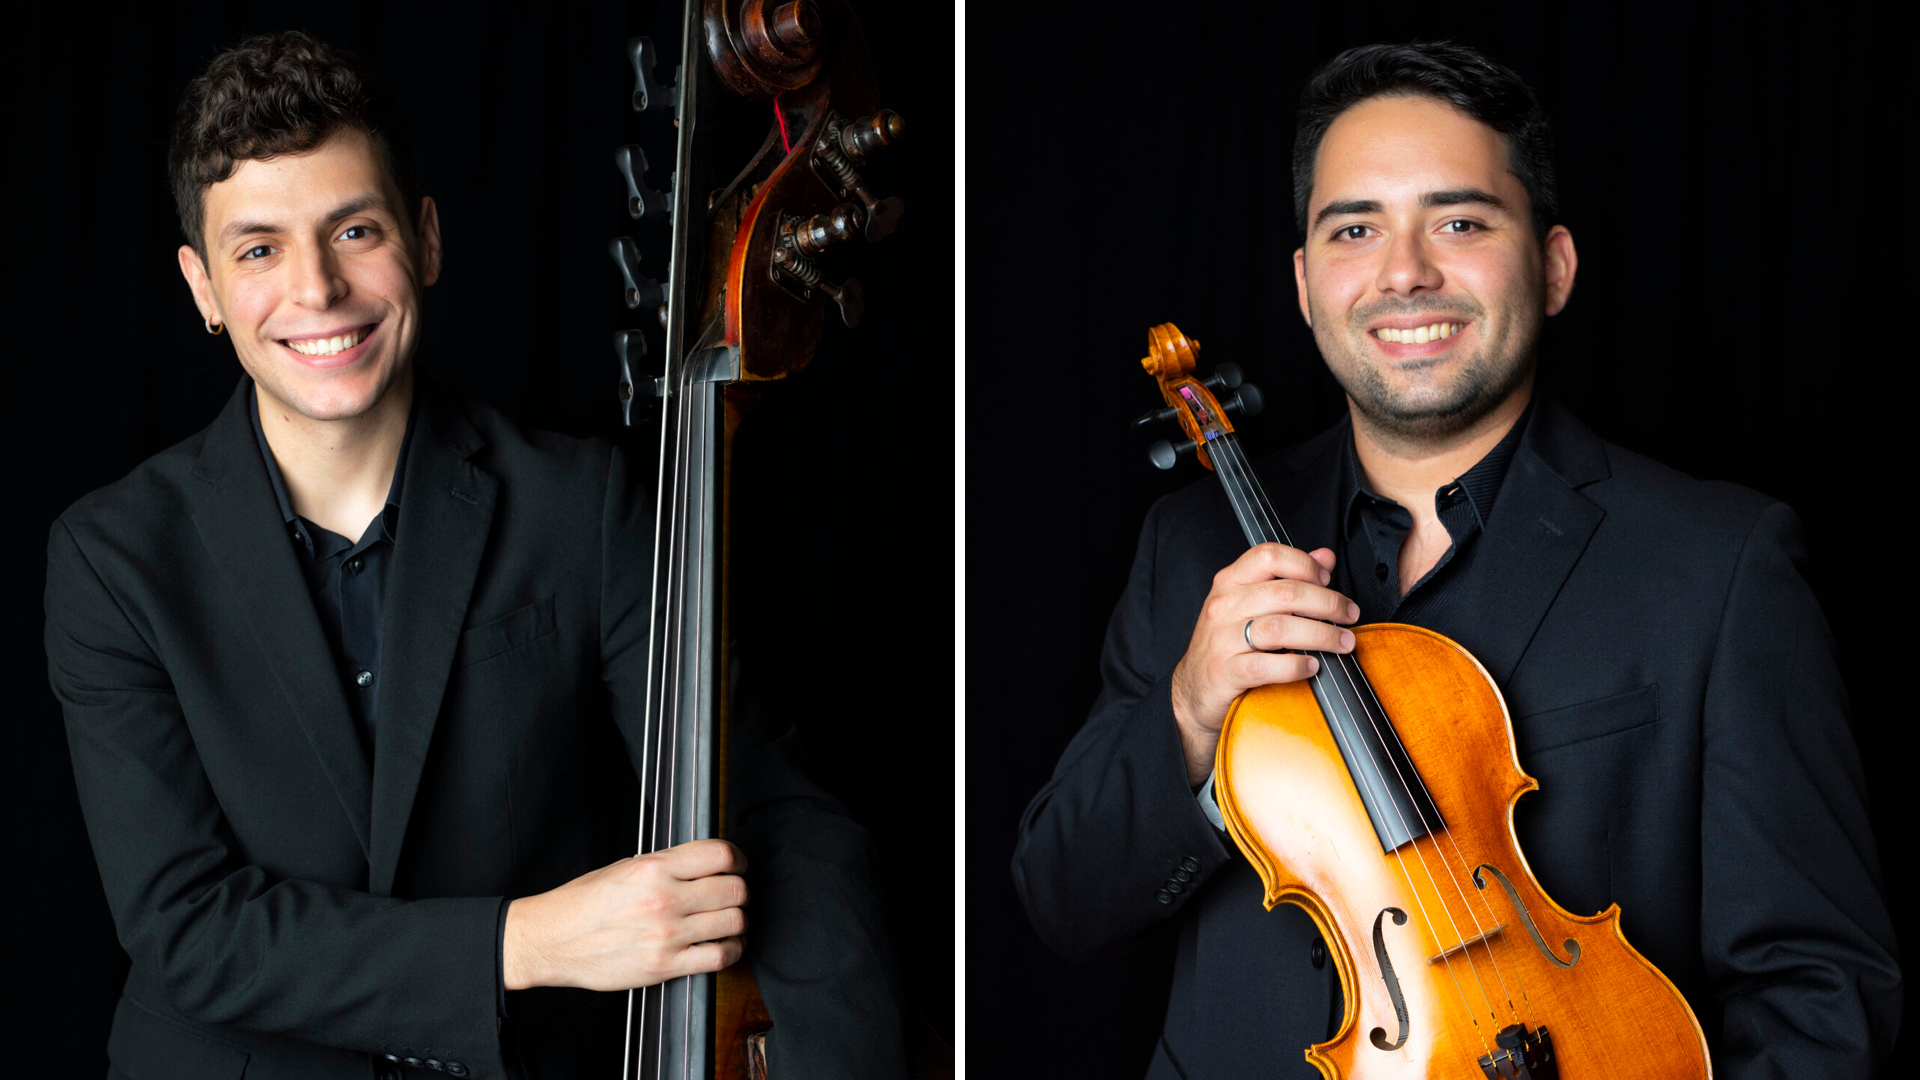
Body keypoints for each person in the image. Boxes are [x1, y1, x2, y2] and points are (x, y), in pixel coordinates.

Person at [1013, 41, 1899, 1079]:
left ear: (1555, 266)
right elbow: (1063, 903)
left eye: (1461, 221)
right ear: (1304, 285)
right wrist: (1190, 717)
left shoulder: (1720, 567)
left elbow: (1820, 996)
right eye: (1355, 229)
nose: (1404, 274)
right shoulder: (1193, 545)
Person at [44, 31, 905, 1080]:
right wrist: (529, 943)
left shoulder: (580, 505)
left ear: (428, 240)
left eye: (353, 229)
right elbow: (190, 930)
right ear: (203, 290)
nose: (316, 288)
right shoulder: (113, 558)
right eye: (259, 248)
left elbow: (769, 810)